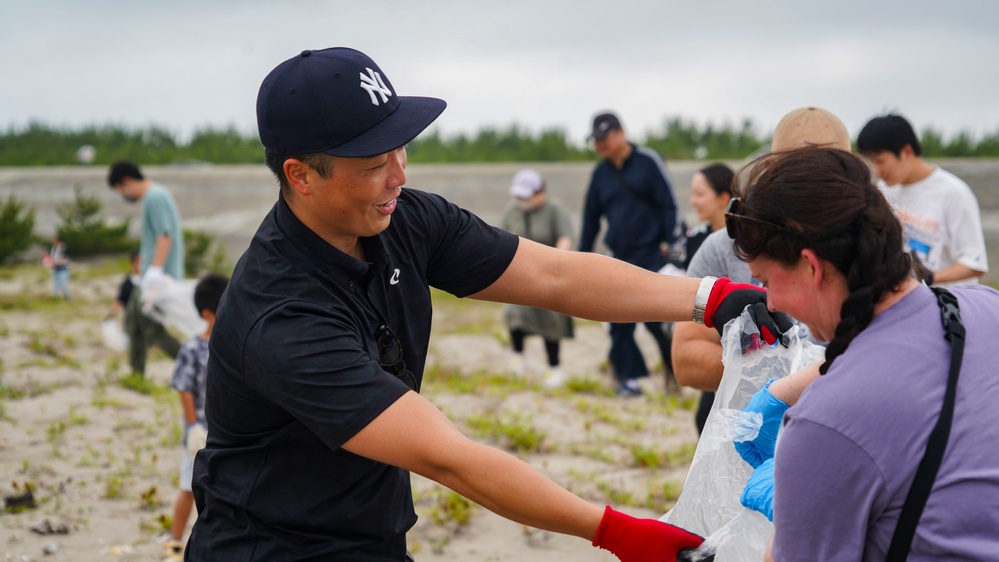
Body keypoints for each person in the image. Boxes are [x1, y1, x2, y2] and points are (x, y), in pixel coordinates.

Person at [185, 47, 789, 561]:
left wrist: (707, 296)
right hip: (268, 544)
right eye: (374, 164)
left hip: (371, 532)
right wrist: (617, 532)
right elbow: (448, 457)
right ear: (301, 175)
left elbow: (550, 274)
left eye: (401, 149)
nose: (398, 174)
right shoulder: (284, 314)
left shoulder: (405, 219)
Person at [728, 147, 999, 560]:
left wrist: (790, 510)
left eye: (766, 280)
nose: (774, 303)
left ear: (810, 266)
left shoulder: (824, 425)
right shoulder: (984, 307)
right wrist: (787, 389)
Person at [672, 106, 850, 427]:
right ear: (770, 169)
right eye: (799, 176)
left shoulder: (876, 251)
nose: (813, 192)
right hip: (746, 429)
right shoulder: (724, 250)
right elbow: (685, 359)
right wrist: (774, 370)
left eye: (827, 179)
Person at [578, 111, 682, 396]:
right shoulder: (600, 175)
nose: (600, 145)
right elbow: (590, 219)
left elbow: (669, 204)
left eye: (604, 137)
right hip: (618, 256)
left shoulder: (648, 162)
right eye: (596, 140)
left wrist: (670, 242)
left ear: (620, 133)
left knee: (655, 322)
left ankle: (673, 373)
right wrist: (580, 258)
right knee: (618, 322)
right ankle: (628, 380)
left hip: (651, 255)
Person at [857, 113, 988, 285]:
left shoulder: (954, 193)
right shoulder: (884, 191)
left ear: (906, 152)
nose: (877, 171)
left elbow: (975, 264)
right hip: (905, 303)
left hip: (948, 306)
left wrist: (929, 279)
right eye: (871, 163)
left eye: (880, 161)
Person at [162, 273, 228, 559]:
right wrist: (191, 426)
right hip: (199, 429)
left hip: (224, 431)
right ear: (207, 314)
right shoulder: (192, 348)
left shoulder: (232, 344)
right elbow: (184, 388)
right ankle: (175, 538)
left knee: (219, 488)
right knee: (189, 485)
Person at [107, 160, 184, 376]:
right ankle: (136, 373)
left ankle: (196, 364)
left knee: (153, 330)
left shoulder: (155, 197)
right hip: (147, 276)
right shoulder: (154, 195)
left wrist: (156, 270)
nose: (123, 195)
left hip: (156, 278)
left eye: (120, 189)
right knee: (134, 323)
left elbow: (165, 235)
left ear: (127, 181)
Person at [500, 169, 575, 387]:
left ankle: (554, 368)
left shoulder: (554, 209)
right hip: (519, 274)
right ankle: (518, 357)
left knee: (551, 321)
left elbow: (566, 236)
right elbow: (500, 235)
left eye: (526, 196)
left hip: (548, 274)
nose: (522, 201)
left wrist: (558, 261)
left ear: (540, 192)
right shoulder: (512, 210)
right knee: (515, 315)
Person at [676, 163, 734, 433]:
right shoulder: (696, 240)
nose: (693, 201)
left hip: (732, 345)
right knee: (705, 416)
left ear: (723, 198)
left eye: (700, 194)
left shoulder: (748, 243)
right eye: (692, 194)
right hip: (706, 337)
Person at [104, 251, 141, 322]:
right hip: (132, 319)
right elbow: (120, 301)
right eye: (138, 262)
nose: (140, 265)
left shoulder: (148, 280)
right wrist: (109, 317)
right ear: (132, 263)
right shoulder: (127, 283)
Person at [46, 234, 71, 299]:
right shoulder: (54, 249)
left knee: (63, 283)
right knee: (56, 284)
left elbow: (66, 260)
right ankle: (56, 297)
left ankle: (67, 297)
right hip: (56, 269)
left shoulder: (63, 248)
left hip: (62, 269)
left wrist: (56, 262)